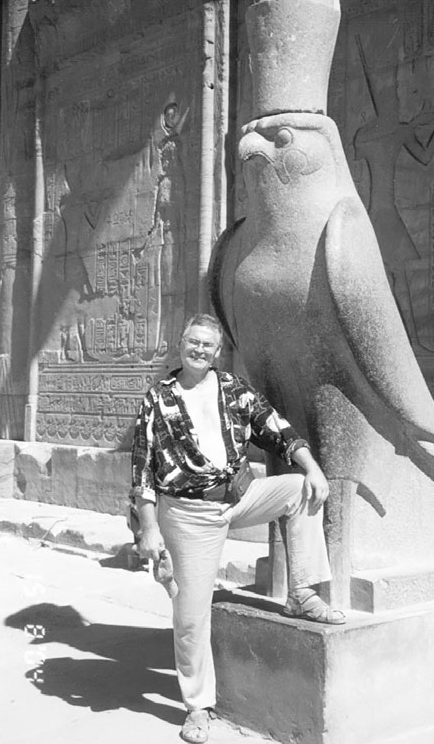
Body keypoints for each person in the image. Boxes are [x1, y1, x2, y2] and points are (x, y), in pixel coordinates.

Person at [130, 313, 345, 744]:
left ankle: (301, 594)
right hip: (189, 513)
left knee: (299, 489)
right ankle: (198, 707)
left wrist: (313, 468)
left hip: (240, 496)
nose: (199, 350)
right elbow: (142, 470)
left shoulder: (233, 389)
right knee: (191, 615)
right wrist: (149, 529)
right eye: (193, 342)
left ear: (217, 352)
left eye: (207, 345)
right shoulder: (159, 399)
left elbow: (277, 428)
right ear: (181, 344)